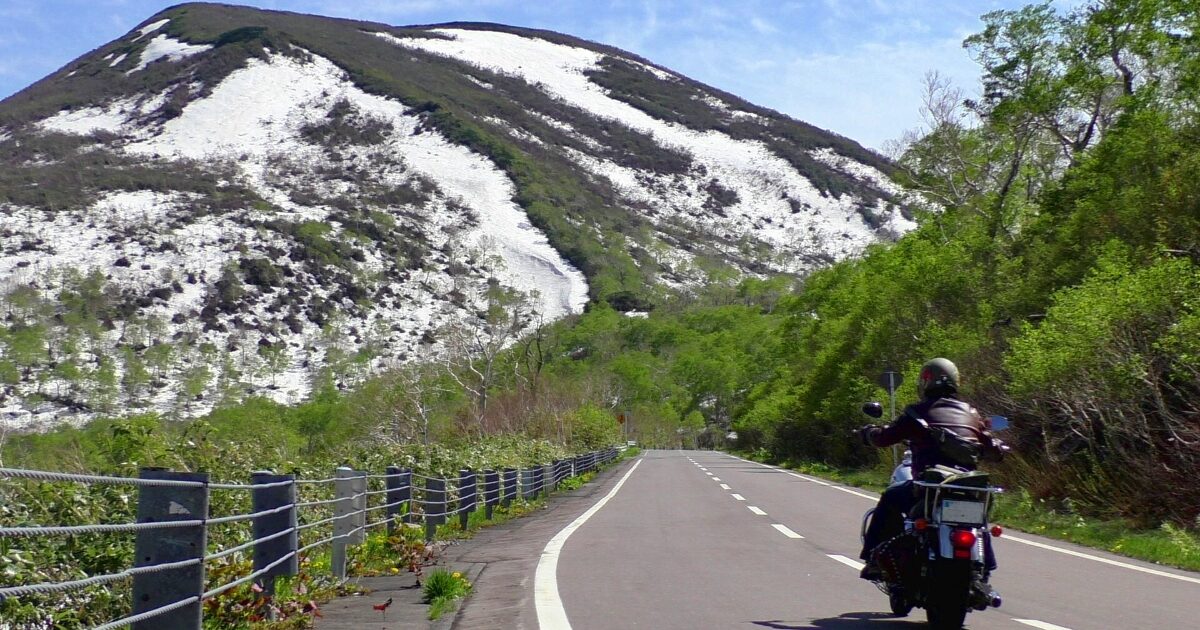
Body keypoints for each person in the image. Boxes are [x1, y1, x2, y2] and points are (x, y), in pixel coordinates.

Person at [856, 358, 1003, 580]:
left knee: (891, 497)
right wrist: (996, 446)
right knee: (976, 520)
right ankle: (986, 570)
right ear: (956, 381)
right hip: (966, 485)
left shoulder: (916, 413)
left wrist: (869, 433)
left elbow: (884, 437)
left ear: (925, 382)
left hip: (931, 486)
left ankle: (873, 560)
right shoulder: (972, 414)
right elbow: (994, 449)